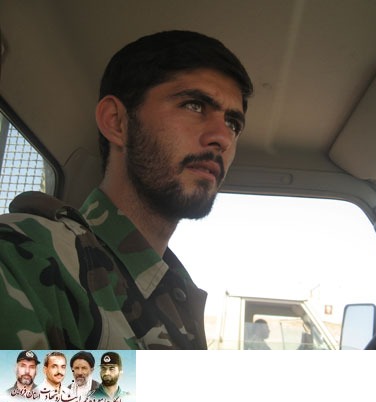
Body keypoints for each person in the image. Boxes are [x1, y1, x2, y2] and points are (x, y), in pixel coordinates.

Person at [0, 30, 253, 349]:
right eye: (194, 105)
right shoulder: (20, 258)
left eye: (233, 123)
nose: (223, 138)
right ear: (116, 122)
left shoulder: (177, 293)